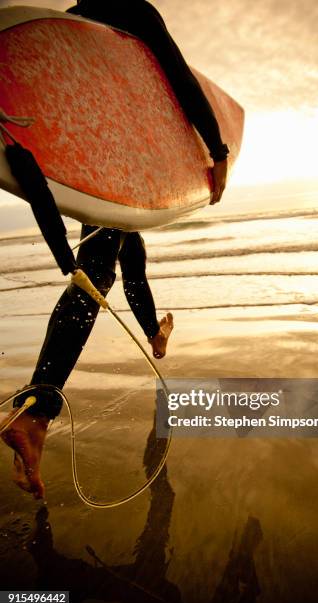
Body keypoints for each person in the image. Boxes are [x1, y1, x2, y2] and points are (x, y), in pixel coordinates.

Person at [1, 0, 229, 500]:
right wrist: (217, 150)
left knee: (129, 260)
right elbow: (177, 80)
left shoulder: (79, 16)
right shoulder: (133, 10)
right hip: (120, 168)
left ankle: (154, 334)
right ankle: (34, 412)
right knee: (101, 271)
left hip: (106, 166)